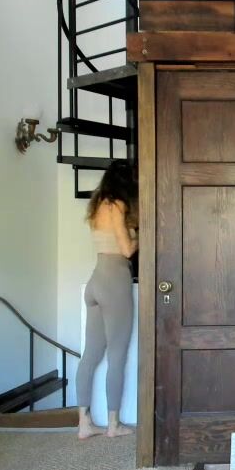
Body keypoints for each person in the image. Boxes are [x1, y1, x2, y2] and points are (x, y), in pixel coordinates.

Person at [76, 160, 138, 440]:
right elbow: (126, 249)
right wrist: (144, 235)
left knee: (90, 355)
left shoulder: (97, 205)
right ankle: (113, 424)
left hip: (96, 280)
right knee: (117, 355)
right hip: (115, 281)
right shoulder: (118, 205)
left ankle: (84, 424)